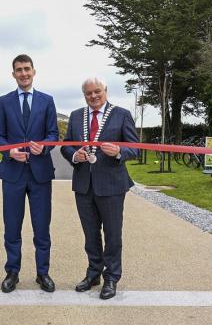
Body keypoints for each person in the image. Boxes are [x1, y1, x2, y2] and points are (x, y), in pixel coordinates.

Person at [60, 77, 139, 300]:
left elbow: (134, 148)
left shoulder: (121, 114)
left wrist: (120, 152)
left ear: (105, 90)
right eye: (88, 93)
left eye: (97, 92)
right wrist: (75, 155)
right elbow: (67, 146)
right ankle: (93, 273)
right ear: (84, 95)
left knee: (113, 235)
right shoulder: (76, 116)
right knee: (90, 234)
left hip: (112, 185)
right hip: (84, 185)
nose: (93, 96)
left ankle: (111, 277)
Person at [0, 54, 59, 293]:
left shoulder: (47, 101)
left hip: (40, 174)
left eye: (27, 69)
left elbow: (54, 134)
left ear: (34, 71)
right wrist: (9, 152)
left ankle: (43, 273)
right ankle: (12, 272)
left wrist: (44, 145)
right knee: (12, 226)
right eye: (19, 70)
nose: (23, 73)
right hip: (13, 174)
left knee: (42, 227)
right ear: (13, 74)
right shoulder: (4, 102)